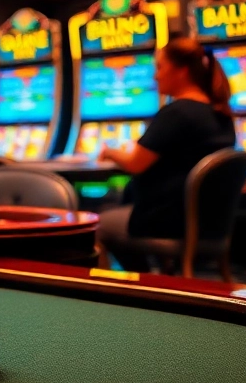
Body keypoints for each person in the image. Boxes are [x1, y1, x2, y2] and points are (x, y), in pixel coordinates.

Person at [96, 38, 237, 272]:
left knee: (94, 225)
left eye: (160, 67)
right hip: (208, 222)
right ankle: (149, 284)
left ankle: (135, 289)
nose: (156, 76)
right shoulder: (219, 112)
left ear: (181, 71)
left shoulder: (177, 112)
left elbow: (135, 164)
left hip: (169, 221)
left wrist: (108, 151)